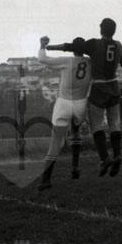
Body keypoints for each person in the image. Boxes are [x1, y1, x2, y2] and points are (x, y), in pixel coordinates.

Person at [47, 18, 122, 177]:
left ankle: (105, 158)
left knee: (96, 125)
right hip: (114, 86)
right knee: (114, 123)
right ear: (114, 30)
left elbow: (72, 46)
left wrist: (51, 47)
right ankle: (118, 154)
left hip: (99, 87)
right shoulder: (119, 45)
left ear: (101, 29)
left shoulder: (94, 44)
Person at [36, 36, 92, 190]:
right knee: (76, 131)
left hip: (64, 103)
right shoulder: (90, 62)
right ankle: (75, 167)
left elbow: (42, 59)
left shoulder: (67, 61)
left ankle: (46, 180)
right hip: (81, 103)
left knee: (56, 141)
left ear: (72, 50)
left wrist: (43, 46)